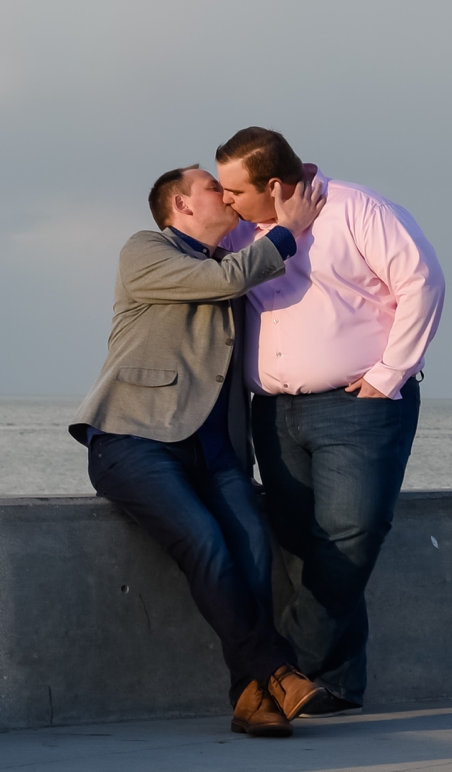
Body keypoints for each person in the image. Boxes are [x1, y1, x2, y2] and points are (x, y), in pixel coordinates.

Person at [70, 163, 330, 738]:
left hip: (214, 451)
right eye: (213, 187)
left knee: (254, 551)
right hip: (133, 438)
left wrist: (283, 179)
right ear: (181, 207)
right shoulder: (146, 250)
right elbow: (222, 282)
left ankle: (248, 698)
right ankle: (277, 671)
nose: (226, 192)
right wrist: (289, 231)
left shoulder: (227, 261)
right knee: (203, 541)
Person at [214, 126, 444, 711]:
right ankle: (337, 683)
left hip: (356, 407)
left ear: (272, 183)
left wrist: (387, 376)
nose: (225, 200)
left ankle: (278, 670)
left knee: (350, 536)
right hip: (274, 411)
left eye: (234, 190)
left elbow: (422, 282)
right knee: (298, 543)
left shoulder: (356, 208)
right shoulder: (243, 227)